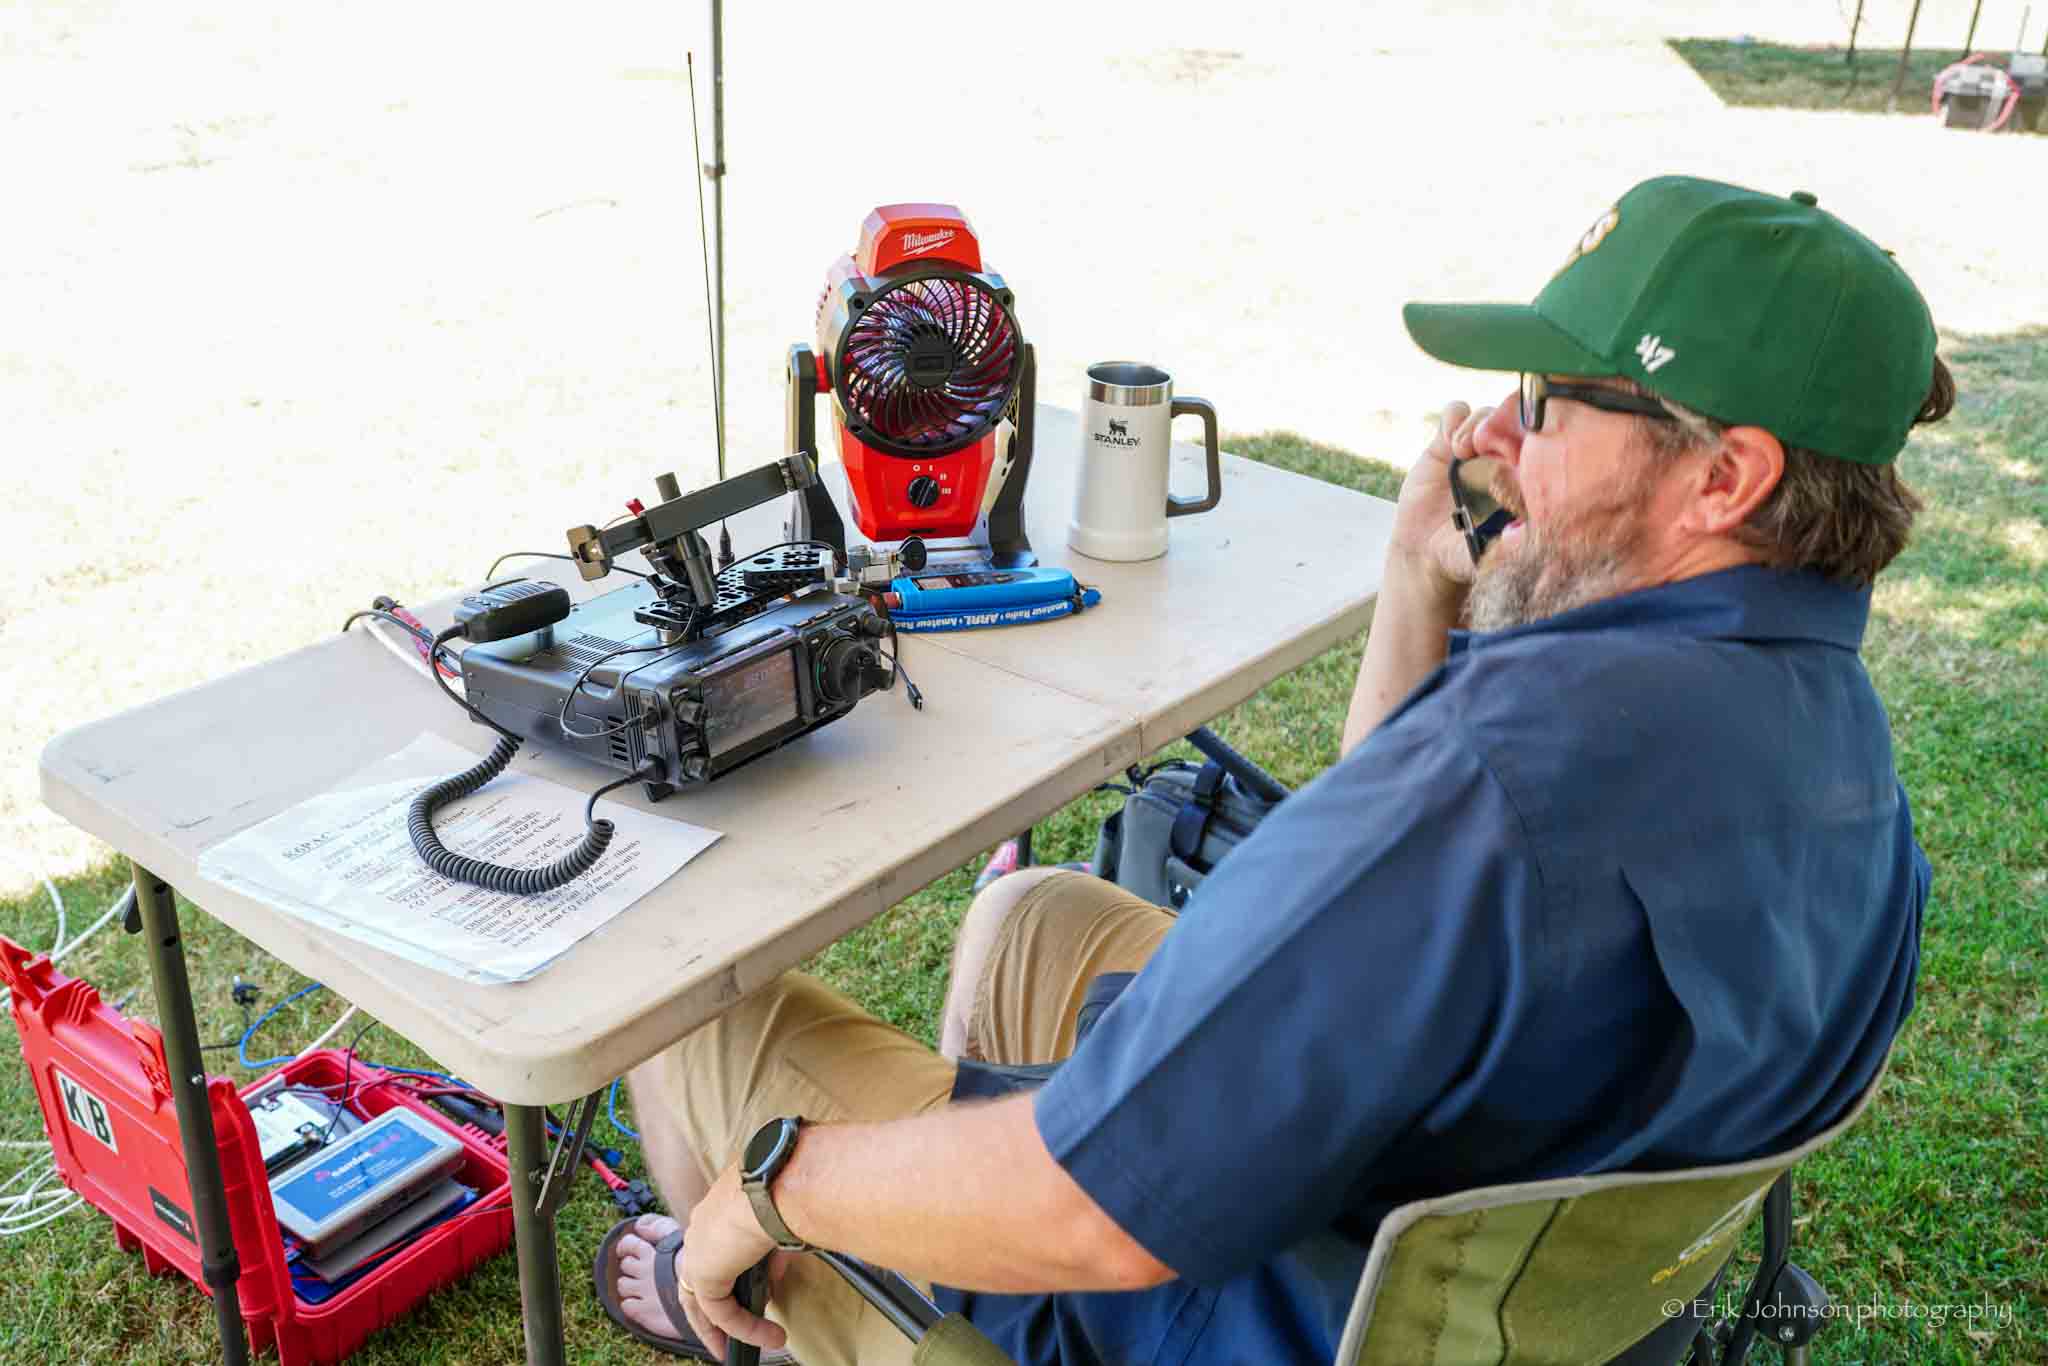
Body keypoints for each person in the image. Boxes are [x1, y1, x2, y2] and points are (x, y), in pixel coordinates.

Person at [593, 175, 1947, 1365]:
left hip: (1189, 1295)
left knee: (690, 1019)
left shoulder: (1516, 771)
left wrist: (776, 1187)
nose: (1495, 438)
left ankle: (751, 1301)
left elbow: (1090, 1203)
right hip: (1429, 1287)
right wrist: (1419, 582)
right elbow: (1383, 875)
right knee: (1034, 918)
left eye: (1548, 403)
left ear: (1727, 479)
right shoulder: (1843, 764)